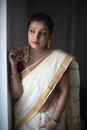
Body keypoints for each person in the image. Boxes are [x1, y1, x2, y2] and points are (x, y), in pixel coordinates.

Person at [8, 12, 81, 130]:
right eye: (32, 31)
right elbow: (16, 93)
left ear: (49, 36)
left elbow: (65, 91)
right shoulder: (20, 58)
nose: (36, 37)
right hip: (25, 119)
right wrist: (13, 65)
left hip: (51, 118)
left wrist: (53, 122)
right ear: (27, 31)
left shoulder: (59, 59)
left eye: (42, 33)